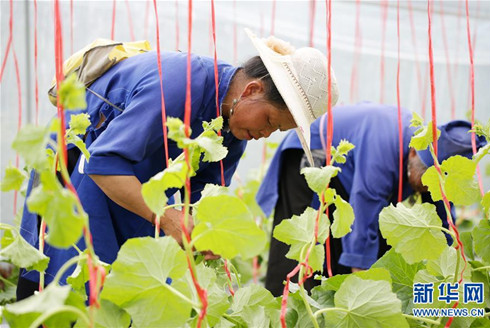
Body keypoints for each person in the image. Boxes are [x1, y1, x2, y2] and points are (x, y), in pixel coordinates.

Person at [16, 29, 339, 300]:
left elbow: (197, 199)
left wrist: (204, 233)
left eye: (275, 131)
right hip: (79, 175)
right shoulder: (178, 83)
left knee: (128, 295)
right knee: (68, 288)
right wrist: (168, 218)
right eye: (268, 120)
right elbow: (103, 162)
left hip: (132, 195)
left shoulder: (233, 130)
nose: (265, 134)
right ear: (252, 90)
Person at [257, 102, 487, 296]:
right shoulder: (384, 144)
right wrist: (363, 287)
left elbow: (444, 220)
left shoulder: (432, 158)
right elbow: (364, 204)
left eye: (437, 183)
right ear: (414, 153)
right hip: (312, 152)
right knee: (303, 243)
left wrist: (454, 271)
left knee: (361, 250)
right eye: (426, 178)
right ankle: (285, 314)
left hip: (350, 173)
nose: (428, 187)